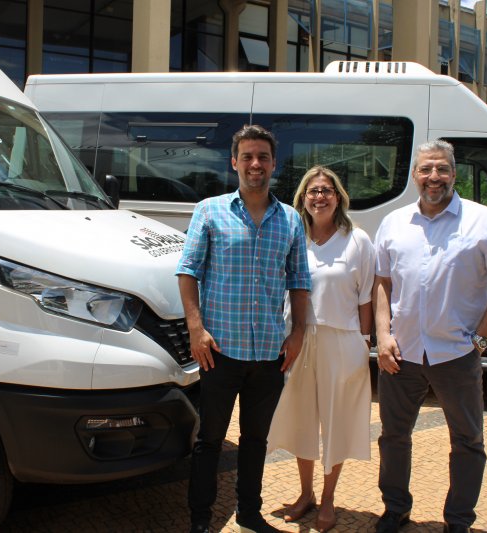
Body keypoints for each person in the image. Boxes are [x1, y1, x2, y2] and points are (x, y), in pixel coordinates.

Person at [372, 140, 487, 533]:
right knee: (393, 437)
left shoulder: (486, 222)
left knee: (468, 440)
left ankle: (458, 520)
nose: (434, 177)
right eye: (426, 169)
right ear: (414, 175)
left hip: (457, 355)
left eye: (442, 169)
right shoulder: (394, 223)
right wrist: (383, 335)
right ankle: (395, 508)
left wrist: (481, 341)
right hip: (401, 353)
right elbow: (382, 283)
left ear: (454, 174)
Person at [176, 124, 311, 533]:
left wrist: (298, 332)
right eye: (248, 156)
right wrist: (196, 330)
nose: (256, 164)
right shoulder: (209, 210)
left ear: (274, 164)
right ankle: (200, 520)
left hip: (270, 353)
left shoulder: (290, 220)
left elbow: (299, 281)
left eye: (263, 157)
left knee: (256, 441)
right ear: (234, 162)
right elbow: (187, 271)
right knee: (210, 440)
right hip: (219, 352)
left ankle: (250, 514)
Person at [267, 166, 375, 532]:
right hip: (300, 338)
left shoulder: (357, 240)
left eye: (327, 190)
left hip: (342, 340)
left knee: (336, 422)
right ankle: (306, 493)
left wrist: (364, 343)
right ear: (303, 198)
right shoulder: (294, 237)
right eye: (313, 191)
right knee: (302, 419)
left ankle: (328, 498)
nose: (320, 197)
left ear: (339, 197)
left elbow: (366, 298)